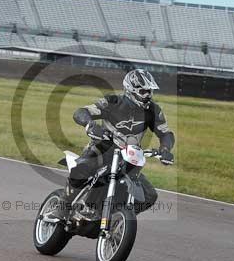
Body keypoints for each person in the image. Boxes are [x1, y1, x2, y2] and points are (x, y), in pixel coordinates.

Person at [66, 69, 175, 216]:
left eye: (150, 92)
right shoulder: (112, 102)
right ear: (131, 90)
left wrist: (165, 149)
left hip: (129, 156)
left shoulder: (153, 110)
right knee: (83, 167)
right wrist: (90, 125)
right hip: (103, 147)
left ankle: (117, 218)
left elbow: (165, 133)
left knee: (149, 196)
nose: (148, 95)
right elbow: (81, 112)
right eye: (143, 92)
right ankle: (63, 206)